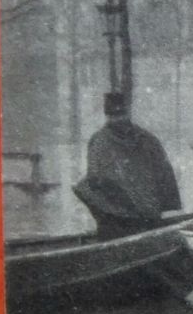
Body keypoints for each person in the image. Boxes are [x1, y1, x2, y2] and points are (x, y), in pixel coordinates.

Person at [73, 92, 182, 240]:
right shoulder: (145, 139)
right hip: (137, 220)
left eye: (119, 115)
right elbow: (166, 177)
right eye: (115, 115)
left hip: (125, 222)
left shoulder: (101, 141)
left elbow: (94, 181)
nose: (118, 120)